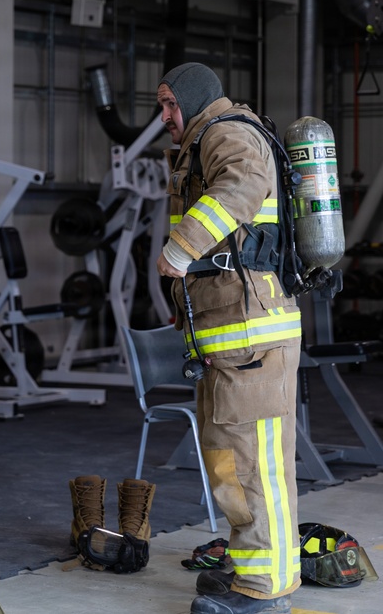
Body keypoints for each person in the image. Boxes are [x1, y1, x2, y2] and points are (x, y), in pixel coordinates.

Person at [155, 63, 302, 614]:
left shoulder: (226, 134)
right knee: (231, 463)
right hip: (229, 334)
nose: (164, 116)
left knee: (254, 466)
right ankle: (250, 570)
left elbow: (242, 185)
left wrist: (180, 248)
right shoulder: (205, 139)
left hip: (251, 337)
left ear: (193, 99)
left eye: (170, 103)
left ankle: (266, 589)